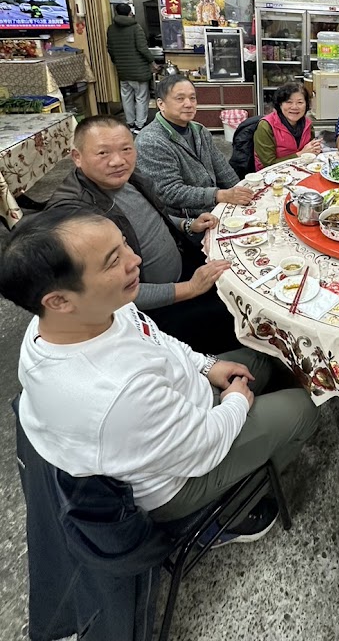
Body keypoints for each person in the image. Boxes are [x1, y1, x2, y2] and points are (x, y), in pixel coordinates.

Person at [1, 209, 320, 543]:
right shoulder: (116, 392)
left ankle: (254, 436)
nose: (134, 259)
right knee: (306, 406)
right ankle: (234, 512)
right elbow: (202, 447)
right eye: (113, 261)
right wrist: (236, 403)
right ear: (59, 300)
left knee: (267, 355)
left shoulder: (80, 315)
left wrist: (207, 366)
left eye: (124, 244)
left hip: (181, 406)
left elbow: (156, 338)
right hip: (177, 477)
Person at [47, 116, 236, 353]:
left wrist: (188, 225)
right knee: (237, 314)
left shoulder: (131, 179)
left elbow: (151, 222)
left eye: (126, 149)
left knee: (239, 276)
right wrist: (190, 288)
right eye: (103, 153)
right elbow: (106, 293)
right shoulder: (74, 215)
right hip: (150, 311)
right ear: (77, 157)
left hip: (182, 268)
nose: (118, 161)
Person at [135, 75, 254, 219]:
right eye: (180, 98)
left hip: (213, 206)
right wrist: (218, 195)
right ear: (161, 104)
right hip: (185, 220)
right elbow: (169, 192)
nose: (189, 104)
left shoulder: (199, 130)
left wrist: (239, 192)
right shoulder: (151, 141)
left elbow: (222, 168)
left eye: (192, 98)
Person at [106, 3, 156, 134]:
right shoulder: (135, 27)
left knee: (126, 96)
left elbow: (110, 49)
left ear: (116, 13)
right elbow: (142, 48)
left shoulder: (111, 29)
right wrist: (152, 62)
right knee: (141, 97)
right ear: (130, 13)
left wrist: (117, 62)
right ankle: (140, 125)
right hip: (138, 70)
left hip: (123, 70)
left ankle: (130, 123)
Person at [253, 83, 323, 170]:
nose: (294, 107)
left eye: (300, 102)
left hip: (301, 169)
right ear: (280, 104)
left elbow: (310, 153)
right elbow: (269, 164)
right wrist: (301, 154)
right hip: (271, 175)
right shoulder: (266, 126)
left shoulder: (307, 124)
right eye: (288, 102)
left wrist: (315, 149)